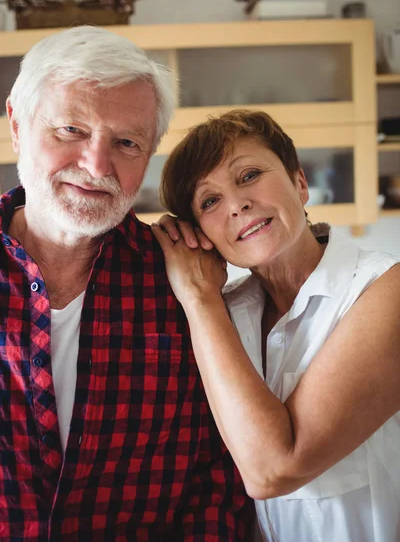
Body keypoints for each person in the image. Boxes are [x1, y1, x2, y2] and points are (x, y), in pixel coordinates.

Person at [0, 26, 253, 541]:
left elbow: (216, 479)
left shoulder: (185, 284)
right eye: (70, 130)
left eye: (126, 142)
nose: (96, 166)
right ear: (17, 125)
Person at [152, 108, 400, 542]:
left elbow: (273, 470)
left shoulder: (384, 289)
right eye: (209, 201)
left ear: (300, 183)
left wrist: (198, 295)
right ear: (201, 235)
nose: (237, 204)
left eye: (248, 175)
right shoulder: (223, 316)